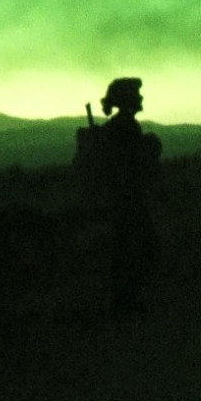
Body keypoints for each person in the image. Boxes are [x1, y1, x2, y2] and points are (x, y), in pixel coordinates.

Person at [78, 77, 162, 319]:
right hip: (126, 199)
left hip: (124, 198)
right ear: (127, 100)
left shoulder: (120, 127)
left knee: (127, 250)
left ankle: (124, 301)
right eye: (136, 94)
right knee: (137, 249)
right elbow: (130, 163)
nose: (141, 97)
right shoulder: (124, 128)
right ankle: (125, 303)